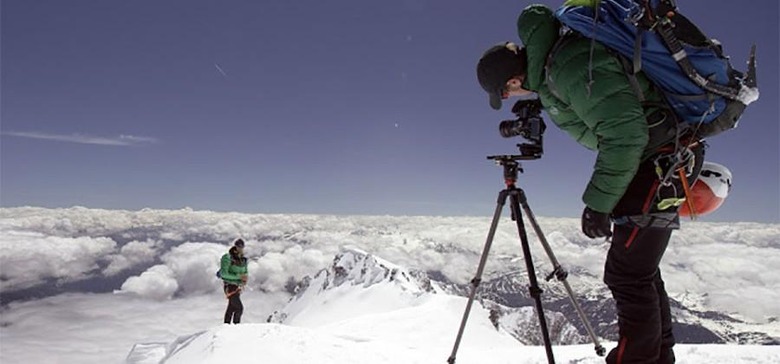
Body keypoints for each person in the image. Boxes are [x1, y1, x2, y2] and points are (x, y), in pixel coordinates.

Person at [476, 4, 704, 364]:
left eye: (503, 94)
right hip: (665, 158)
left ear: (512, 81)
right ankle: (659, 358)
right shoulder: (558, 66)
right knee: (640, 271)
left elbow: (626, 135)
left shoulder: (566, 66)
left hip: (655, 162)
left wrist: (598, 203)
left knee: (627, 275)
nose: (509, 100)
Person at [220, 238, 248, 324]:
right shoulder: (227, 258)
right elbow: (223, 274)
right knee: (239, 308)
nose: (240, 248)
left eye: (242, 247)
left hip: (237, 287)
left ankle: (226, 326)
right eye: (238, 246)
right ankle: (236, 328)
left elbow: (245, 272)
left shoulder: (243, 259)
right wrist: (239, 277)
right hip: (230, 286)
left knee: (231, 308)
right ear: (235, 246)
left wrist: (244, 279)